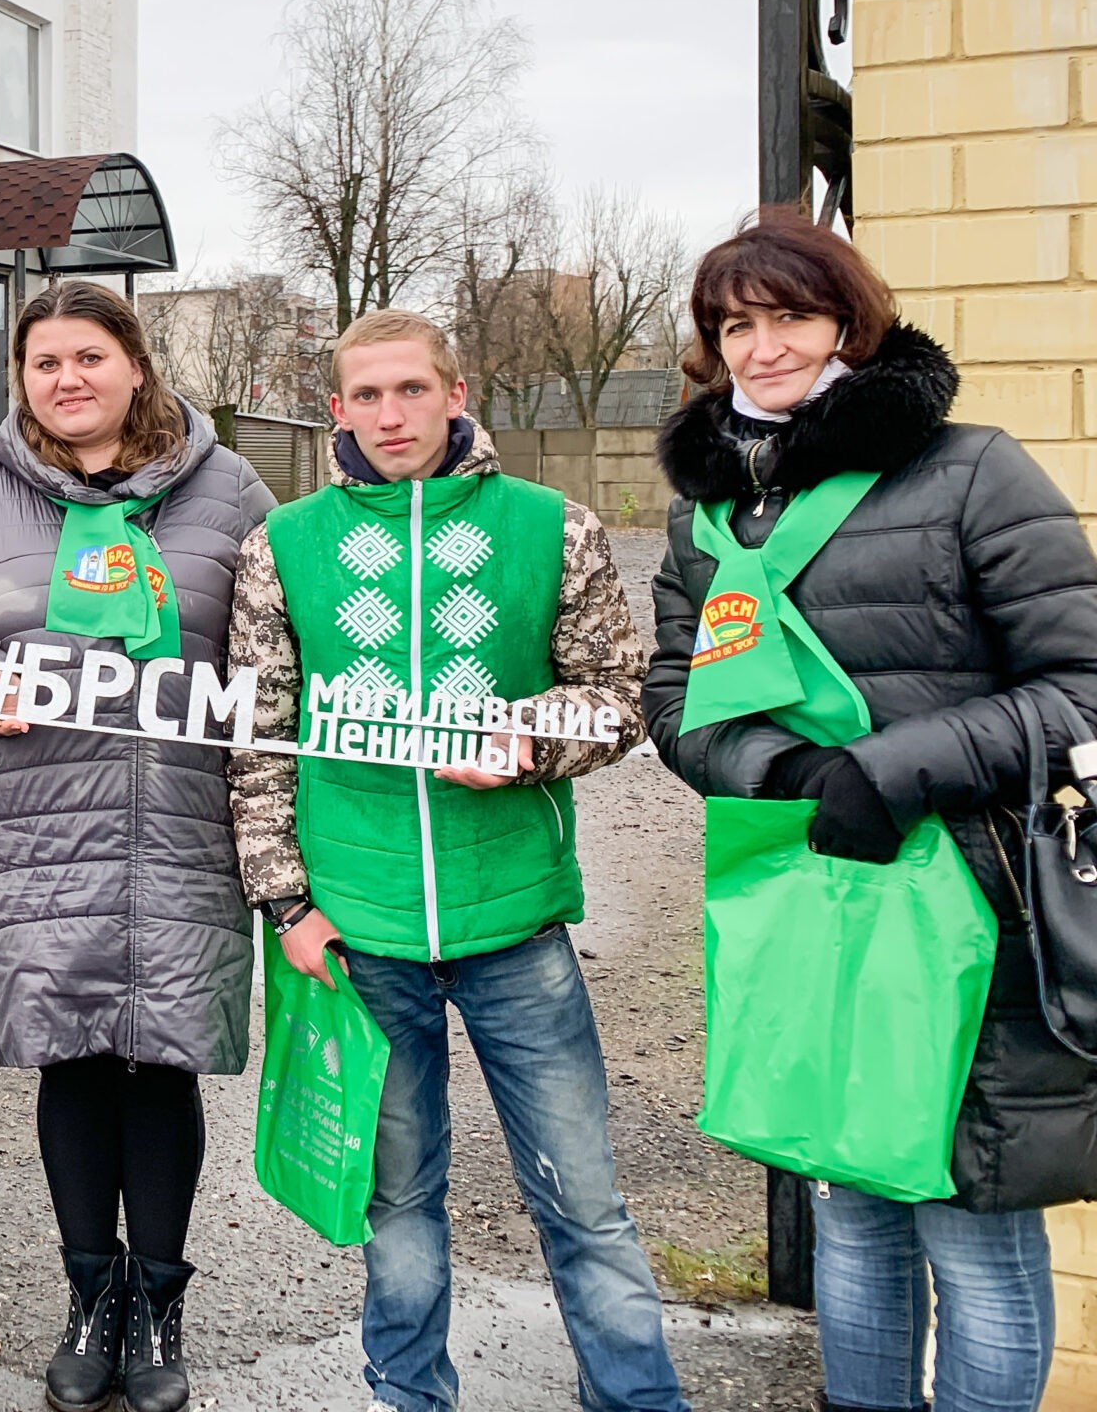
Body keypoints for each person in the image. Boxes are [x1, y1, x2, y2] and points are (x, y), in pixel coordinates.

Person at [645, 209, 1097, 1412]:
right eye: (733, 325)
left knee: (972, 1237)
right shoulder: (710, 520)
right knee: (850, 1215)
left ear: (848, 321)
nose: (762, 347)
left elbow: (1082, 685)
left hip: (972, 903)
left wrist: (899, 767)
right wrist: (785, 775)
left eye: (787, 316)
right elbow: (672, 696)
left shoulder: (969, 469)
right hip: (808, 894)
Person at [229, 309, 684, 1412]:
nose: (390, 415)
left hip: (514, 922)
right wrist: (283, 899)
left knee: (582, 1200)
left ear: (453, 393)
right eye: (366, 396)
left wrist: (530, 740)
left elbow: (622, 699)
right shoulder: (280, 544)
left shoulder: (554, 528)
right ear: (335, 411)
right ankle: (408, 1395)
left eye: (410, 391)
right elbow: (257, 735)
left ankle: (636, 1399)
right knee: (397, 1201)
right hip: (356, 926)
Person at [0, 280, 272, 1412]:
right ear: (23, 379)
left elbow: (273, 638)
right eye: (44, 362)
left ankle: (157, 1307)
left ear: (135, 366)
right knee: (72, 1055)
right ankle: (87, 1295)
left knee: (160, 1059)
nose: (67, 380)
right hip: (44, 814)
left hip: (181, 817)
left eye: (89, 358)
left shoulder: (226, 491)